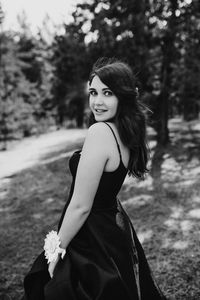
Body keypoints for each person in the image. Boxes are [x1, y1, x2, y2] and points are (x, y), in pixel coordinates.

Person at [22, 58, 167, 300]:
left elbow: (80, 206)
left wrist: (56, 250)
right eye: (93, 92)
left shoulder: (101, 132)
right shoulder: (124, 131)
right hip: (112, 229)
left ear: (124, 96)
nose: (97, 102)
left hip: (90, 237)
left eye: (107, 93)